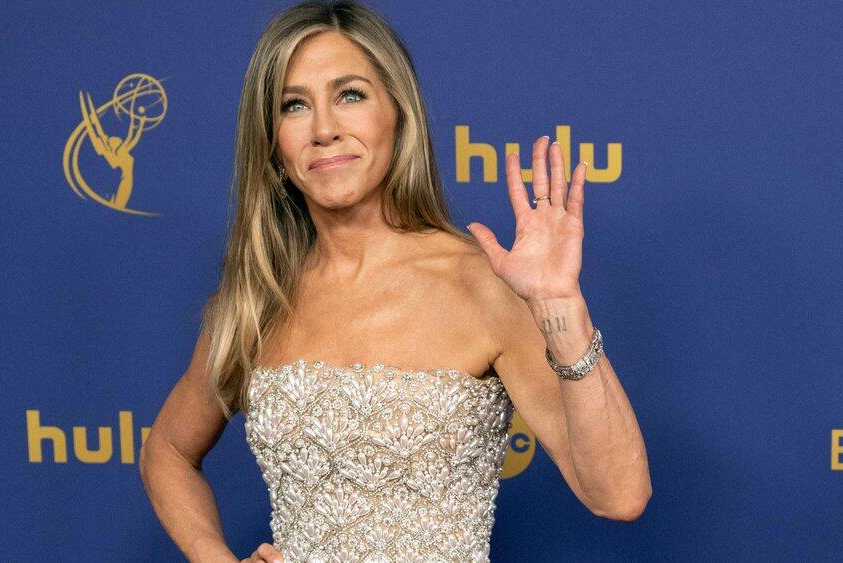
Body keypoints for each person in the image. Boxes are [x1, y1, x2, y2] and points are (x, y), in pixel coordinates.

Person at [139, 1, 651, 561]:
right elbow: (167, 451)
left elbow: (619, 496)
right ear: (272, 144)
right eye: (294, 105)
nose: (325, 130)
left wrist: (560, 306)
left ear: (398, 115)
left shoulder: (483, 286)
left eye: (350, 95)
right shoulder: (256, 301)